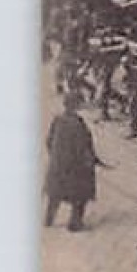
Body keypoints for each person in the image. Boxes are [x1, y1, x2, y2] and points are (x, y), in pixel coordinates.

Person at [45, 89, 103, 232]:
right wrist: (91, 160)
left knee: (55, 194)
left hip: (57, 166)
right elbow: (82, 147)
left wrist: (56, 156)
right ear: (77, 105)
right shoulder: (77, 124)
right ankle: (75, 223)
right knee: (81, 193)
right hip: (74, 169)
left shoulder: (57, 120)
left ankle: (48, 219)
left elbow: (49, 141)